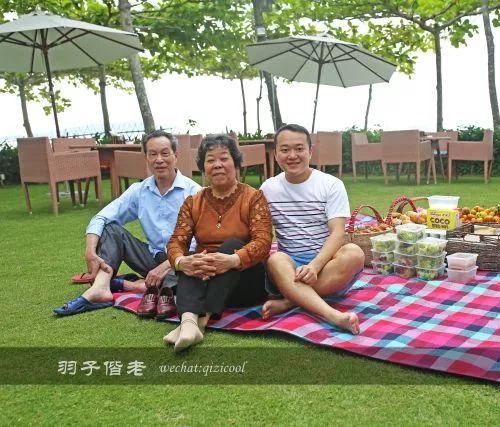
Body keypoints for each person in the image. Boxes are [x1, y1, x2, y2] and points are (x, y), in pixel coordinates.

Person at [53, 130, 201, 317]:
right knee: (112, 230)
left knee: (191, 281)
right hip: (152, 259)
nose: (159, 159)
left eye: (165, 153)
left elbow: (200, 243)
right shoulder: (139, 191)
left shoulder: (194, 192)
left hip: (183, 261)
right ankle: (101, 289)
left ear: (176, 156)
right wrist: (90, 251)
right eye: (152, 154)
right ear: (146, 158)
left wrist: (167, 266)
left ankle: (130, 285)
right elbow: (101, 218)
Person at [164, 134, 272, 352]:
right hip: (204, 280)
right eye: (210, 160)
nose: (218, 165)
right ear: (203, 167)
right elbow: (177, 240)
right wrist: (181, 262)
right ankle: (189, 323)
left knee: (231, 243)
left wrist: (232, 260)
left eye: (224, 158)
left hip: (245, 283)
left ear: (236, 163)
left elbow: (263, 241)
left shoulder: (254, 197)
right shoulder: (193, 202)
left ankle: (200, 321)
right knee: (191, 259)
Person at [260, 124, 364, 334]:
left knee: (354, 253)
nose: (292, 155)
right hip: (290, 267)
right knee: (275, 259)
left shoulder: (331, 184)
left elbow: (338, 232)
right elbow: (259, 233)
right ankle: (334, 316)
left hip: (326, 265)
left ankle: (290, 301)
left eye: (299, 149)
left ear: (310, 151)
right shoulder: (267, 189)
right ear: (276, 154)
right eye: (285, 149)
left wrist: (315, 266)